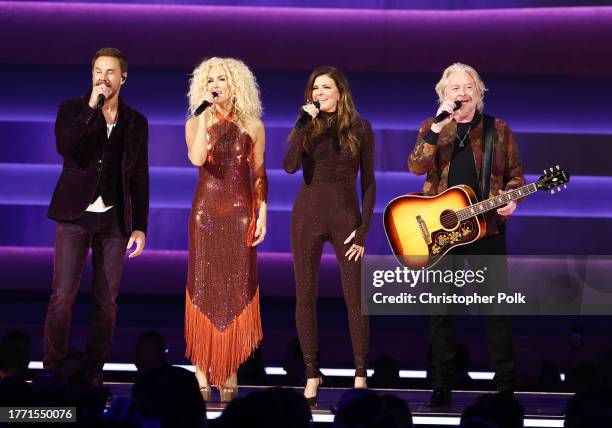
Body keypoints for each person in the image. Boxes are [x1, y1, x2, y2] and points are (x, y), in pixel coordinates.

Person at [408, 62, 524, 407]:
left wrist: (512, 200)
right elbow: (416, 165)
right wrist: (436, 128)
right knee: (441, 311)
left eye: (468, 87)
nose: (461, 94)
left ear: (479, 92)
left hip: (486, 228)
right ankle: (442, 384)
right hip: (442, 232)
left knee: (495, 312)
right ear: (444, 95)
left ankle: (505, 388)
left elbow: (515, 176)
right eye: (454, 88)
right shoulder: (433, 127)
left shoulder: (497, 129)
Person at [44, 47, 149, 387]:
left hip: (114, 220)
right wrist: (92, 108)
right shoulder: (72, 109)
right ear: (91, 75)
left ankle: (93, 374)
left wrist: (140, 226)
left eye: (110, 72)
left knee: (107, 302)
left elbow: (139, 177)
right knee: (62, 297)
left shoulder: (135, 121)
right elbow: (67, 146)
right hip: (75, 216)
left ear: (123, 77)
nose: (103, 77)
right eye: (97, 71)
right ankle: (53, 371)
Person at [284, 66, 376, 406]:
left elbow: (368, 183)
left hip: (346, 219)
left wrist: (364, 229)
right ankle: (311, 372)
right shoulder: (308, 127)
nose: (319, 92)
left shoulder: (361, 128)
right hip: (307, 216)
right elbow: (290, 166)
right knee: (305, 295)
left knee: (355, 298)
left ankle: (360, 372)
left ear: (340, 92)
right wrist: (301, 124)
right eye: (315, 88)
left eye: (326, 87)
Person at [184, 57, 267, 402]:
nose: (215, 85)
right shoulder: (195, 122)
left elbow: (259, 174)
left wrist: (262, 213)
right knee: (203, 286)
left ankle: (229, 369)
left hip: (239, 216)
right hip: (206, 214)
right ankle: (202, 370)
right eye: (210, 80)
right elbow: (197, 159)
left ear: (235, 85)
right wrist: (204, 118)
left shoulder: (253, 125)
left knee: (235, 289)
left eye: (222, 80)